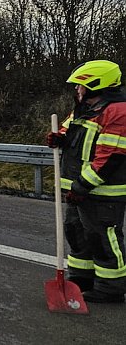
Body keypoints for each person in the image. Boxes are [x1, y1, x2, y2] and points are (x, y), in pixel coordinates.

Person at [46, 60, 126, 303]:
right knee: (76, 233)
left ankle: (111, 287)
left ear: (95, 84)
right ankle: (82, 278)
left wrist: (83, 185)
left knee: (102, 237)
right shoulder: (86, 109)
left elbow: (110, 157)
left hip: (103, 191)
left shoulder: (117, 111)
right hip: (79, 189)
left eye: (80, 86)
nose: (77, 90)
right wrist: (59, 138)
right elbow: (68, 130)